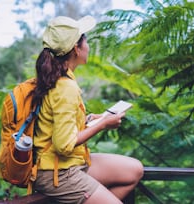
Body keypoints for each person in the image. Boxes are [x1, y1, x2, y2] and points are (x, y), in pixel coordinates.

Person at [32, 15, 144, 204]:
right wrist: (103, 125)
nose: (88, 46)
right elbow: (63, 145)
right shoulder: (65, 87)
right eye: (86, 40)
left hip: (73, 163)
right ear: (76, 48)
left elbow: (58, 125)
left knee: (135, 170)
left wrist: (92, 119)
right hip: (57, 172)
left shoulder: (60, 79)